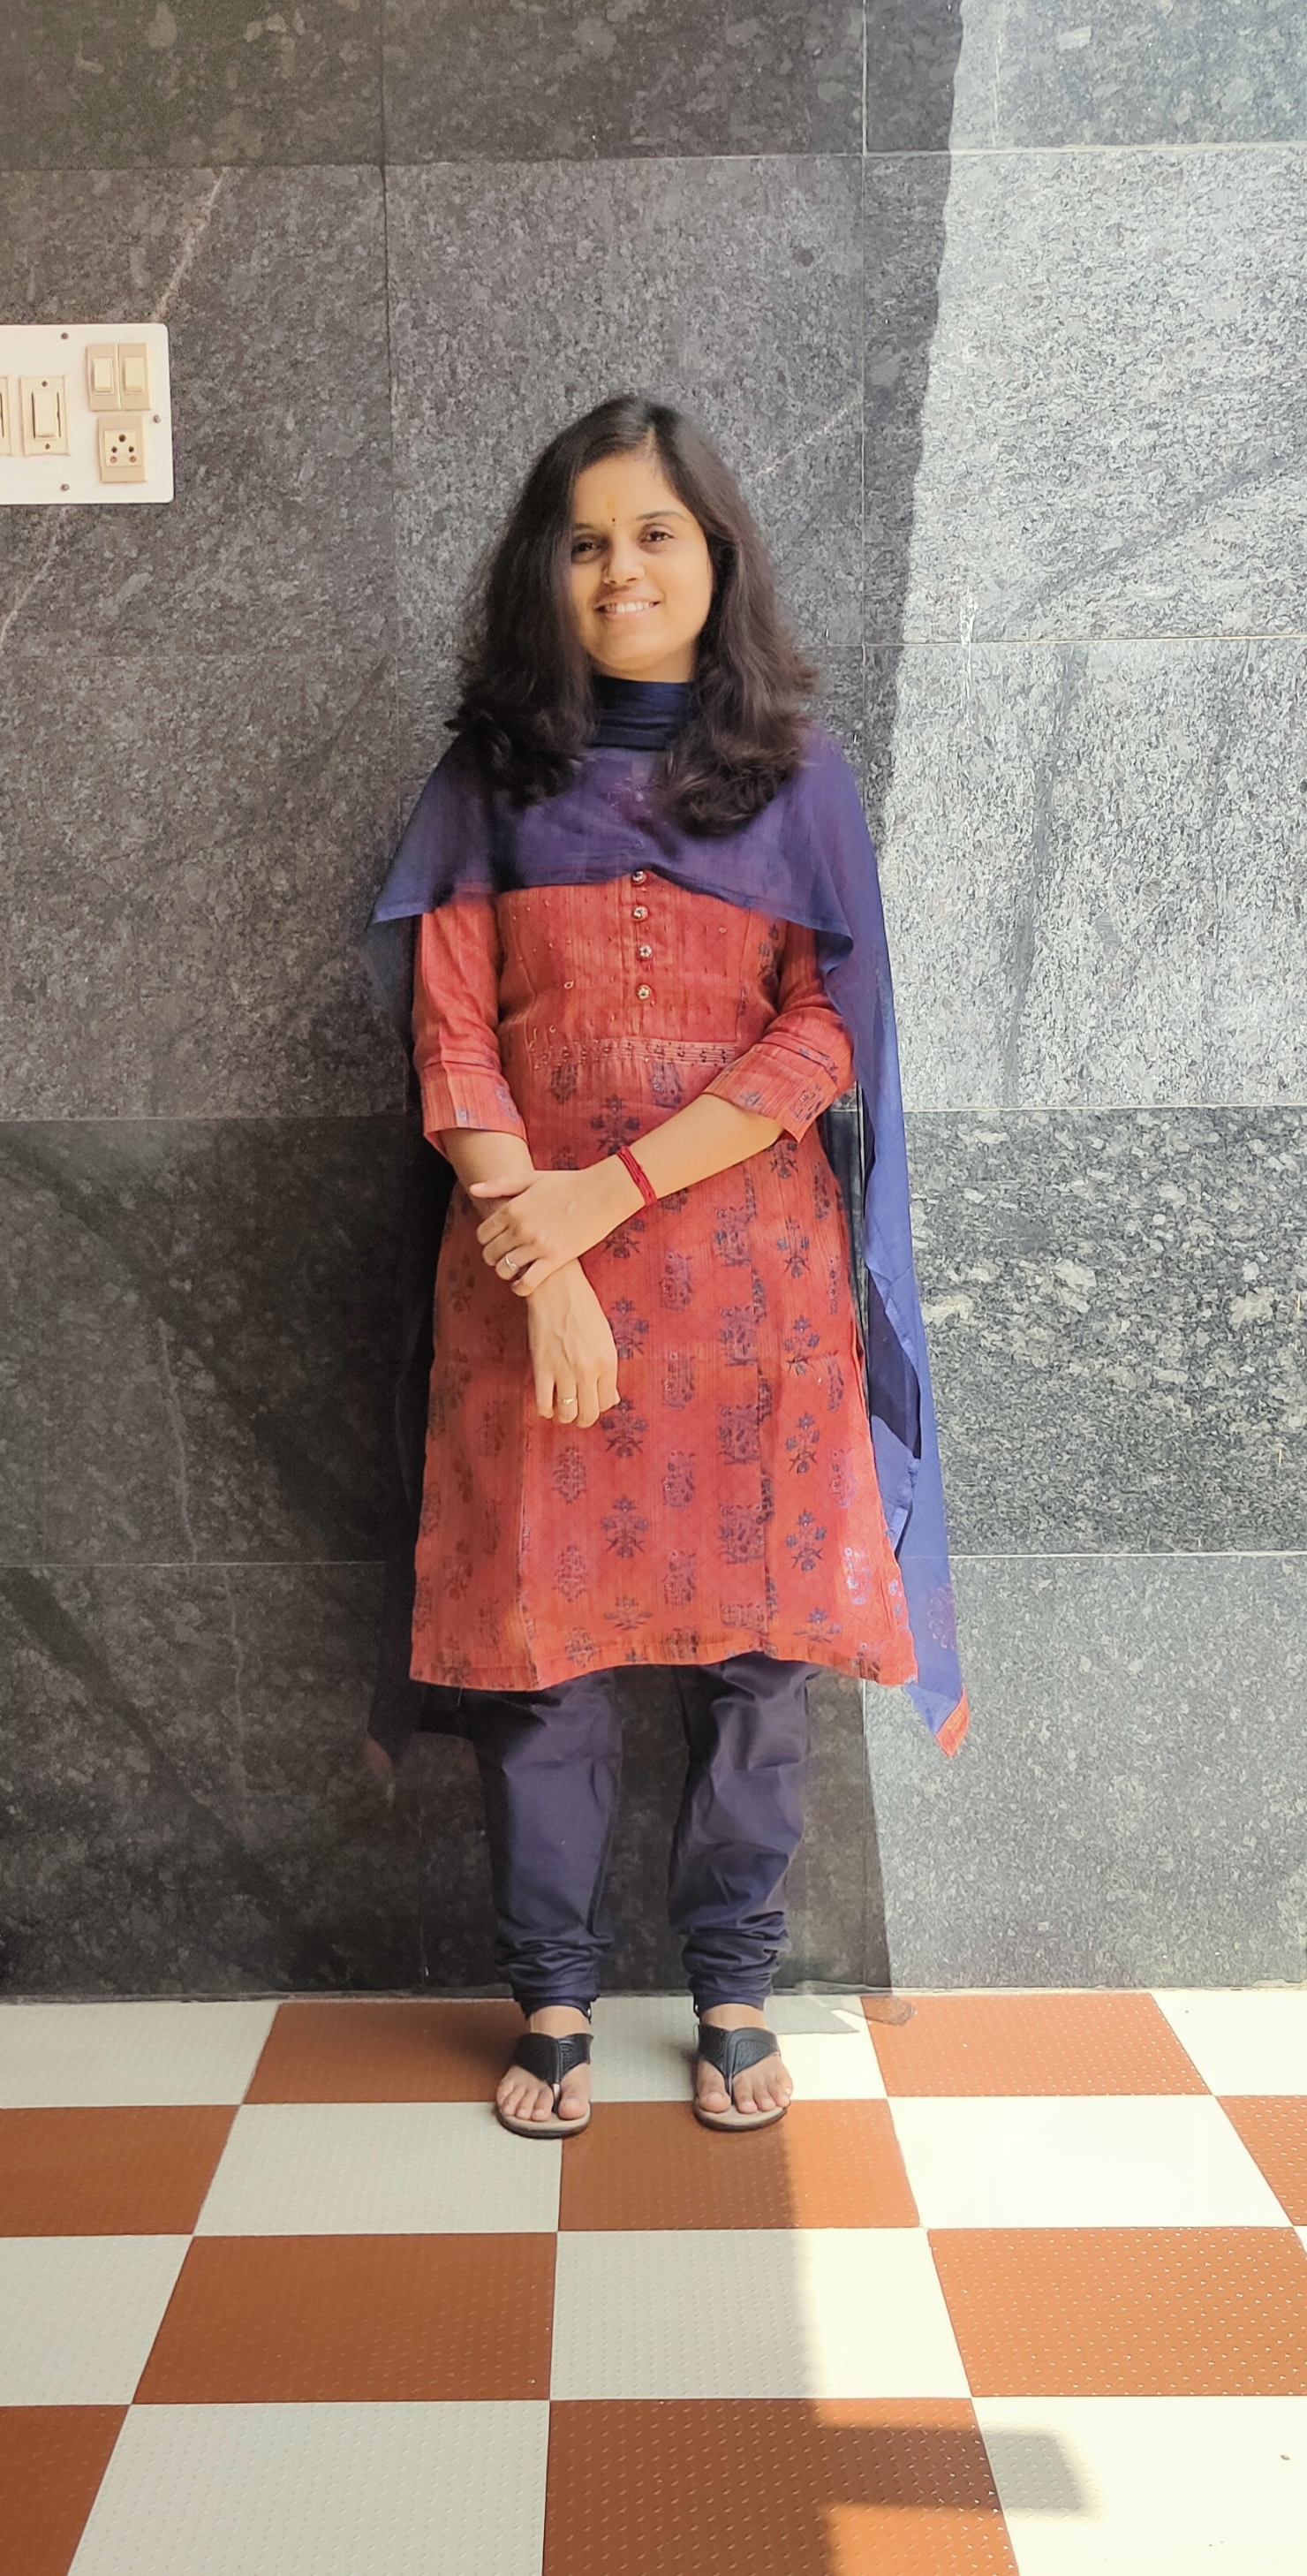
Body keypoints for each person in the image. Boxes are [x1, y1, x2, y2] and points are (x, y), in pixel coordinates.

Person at [364, 395, 967, 2142]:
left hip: (747, 1296)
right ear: (539, 571)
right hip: (526, 1282)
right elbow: (451, 1038)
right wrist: (543, 1255)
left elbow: (822, 1037)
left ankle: (731, 1983)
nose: (619, 569)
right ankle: (553, 1987)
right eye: (583, 540)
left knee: (756, 1662)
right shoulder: (489, 777)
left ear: (715, 555)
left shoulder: (798, 775)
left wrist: (606, 1194)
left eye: (653, 534)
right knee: (538, 1650)